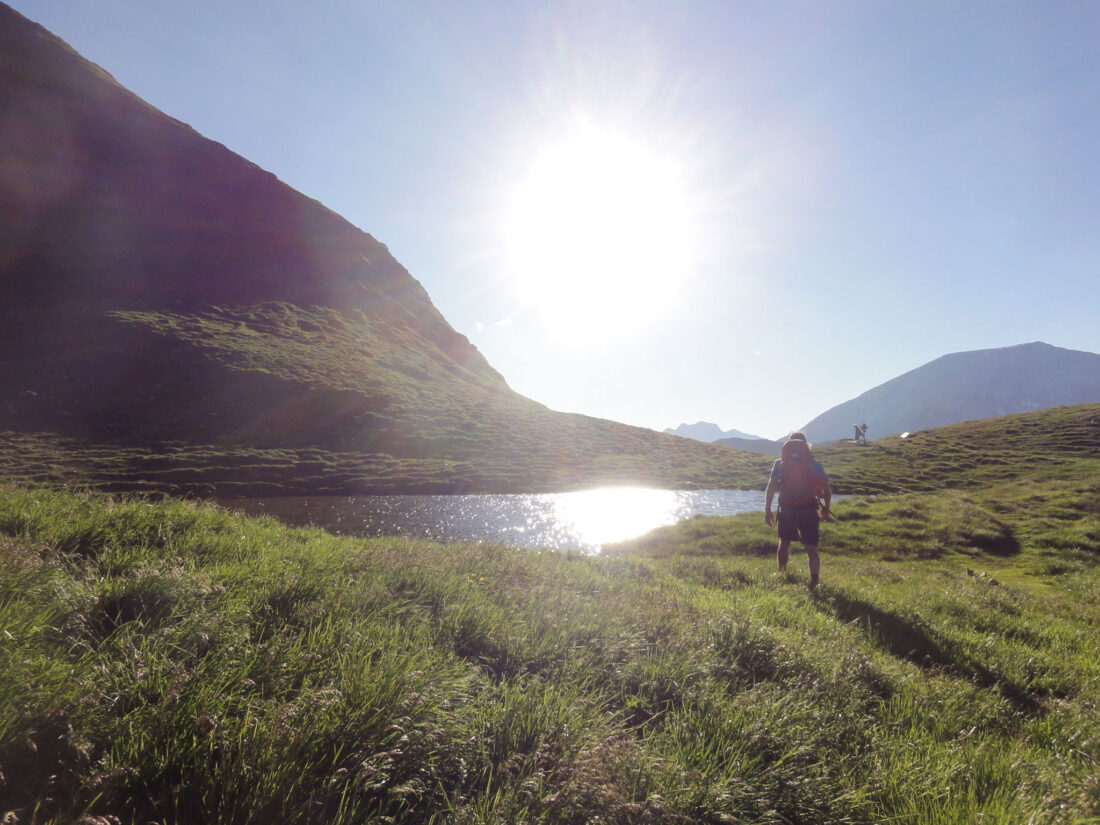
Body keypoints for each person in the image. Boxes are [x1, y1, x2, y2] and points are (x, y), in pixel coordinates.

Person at [764, 431, 832, 588]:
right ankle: (814, 580)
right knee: (811, 547)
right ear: (806, 446)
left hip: (787, 509)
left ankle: (782, 574)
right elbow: (826, 489)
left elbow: (772, 486)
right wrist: (826, 508)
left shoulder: (779, 463)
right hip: (808, 510)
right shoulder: (814, 465)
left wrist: (767, 509)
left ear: (787, 445)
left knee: (784, 543)